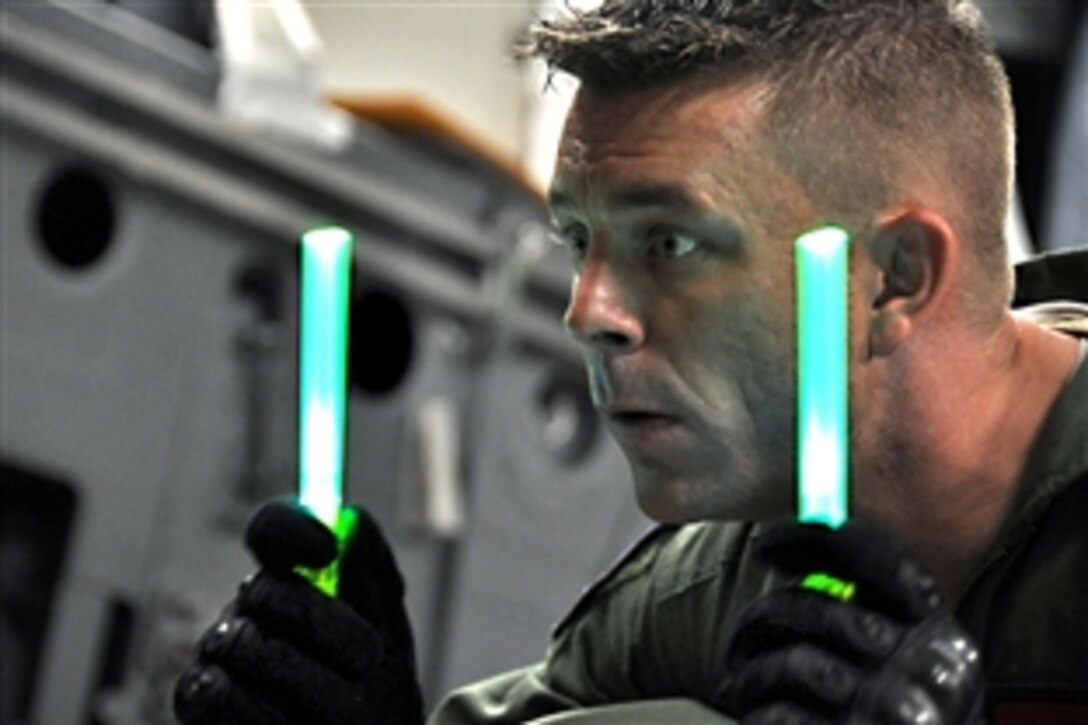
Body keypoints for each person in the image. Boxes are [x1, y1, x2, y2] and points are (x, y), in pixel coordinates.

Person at [174, 1, 1088, 723]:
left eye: (671, 243)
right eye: (580, 241)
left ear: (897, 278)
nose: (588, 313)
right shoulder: (711, 593)